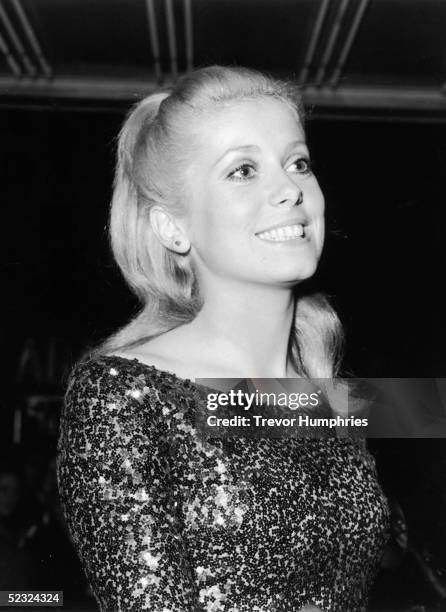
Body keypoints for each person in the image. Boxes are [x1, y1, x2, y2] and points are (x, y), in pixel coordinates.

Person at [57, 65, 390, 612]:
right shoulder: (121, 394)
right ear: (172, 227)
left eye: (298, 162)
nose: (289, 189)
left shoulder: (330, 398)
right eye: (243, 170)